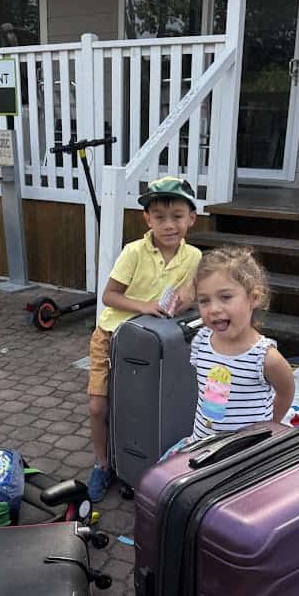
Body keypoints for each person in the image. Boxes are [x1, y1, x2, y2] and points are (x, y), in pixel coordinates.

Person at [87, 176, 202, 501]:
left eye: (177, 216)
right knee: (99, 406)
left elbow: (190, 292)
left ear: (191, 218)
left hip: (152, 346)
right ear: (147, 219)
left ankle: (142, 462)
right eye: (160, 217)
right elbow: (110, 296)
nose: (169, 225)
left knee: (140, 407)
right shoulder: (134, 251)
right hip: (111, 337)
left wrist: (187, 296)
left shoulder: (192, 256)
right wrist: (145, 307)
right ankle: (102, 463)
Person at [182, 245, 295, 444]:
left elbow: (286, 392)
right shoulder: (201, 341)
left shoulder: (265, 358)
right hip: (201, 446)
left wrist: (269, 426)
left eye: (225, 297)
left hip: (244, 456)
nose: (214, 309)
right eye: (204, 301)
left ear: (254, 298)